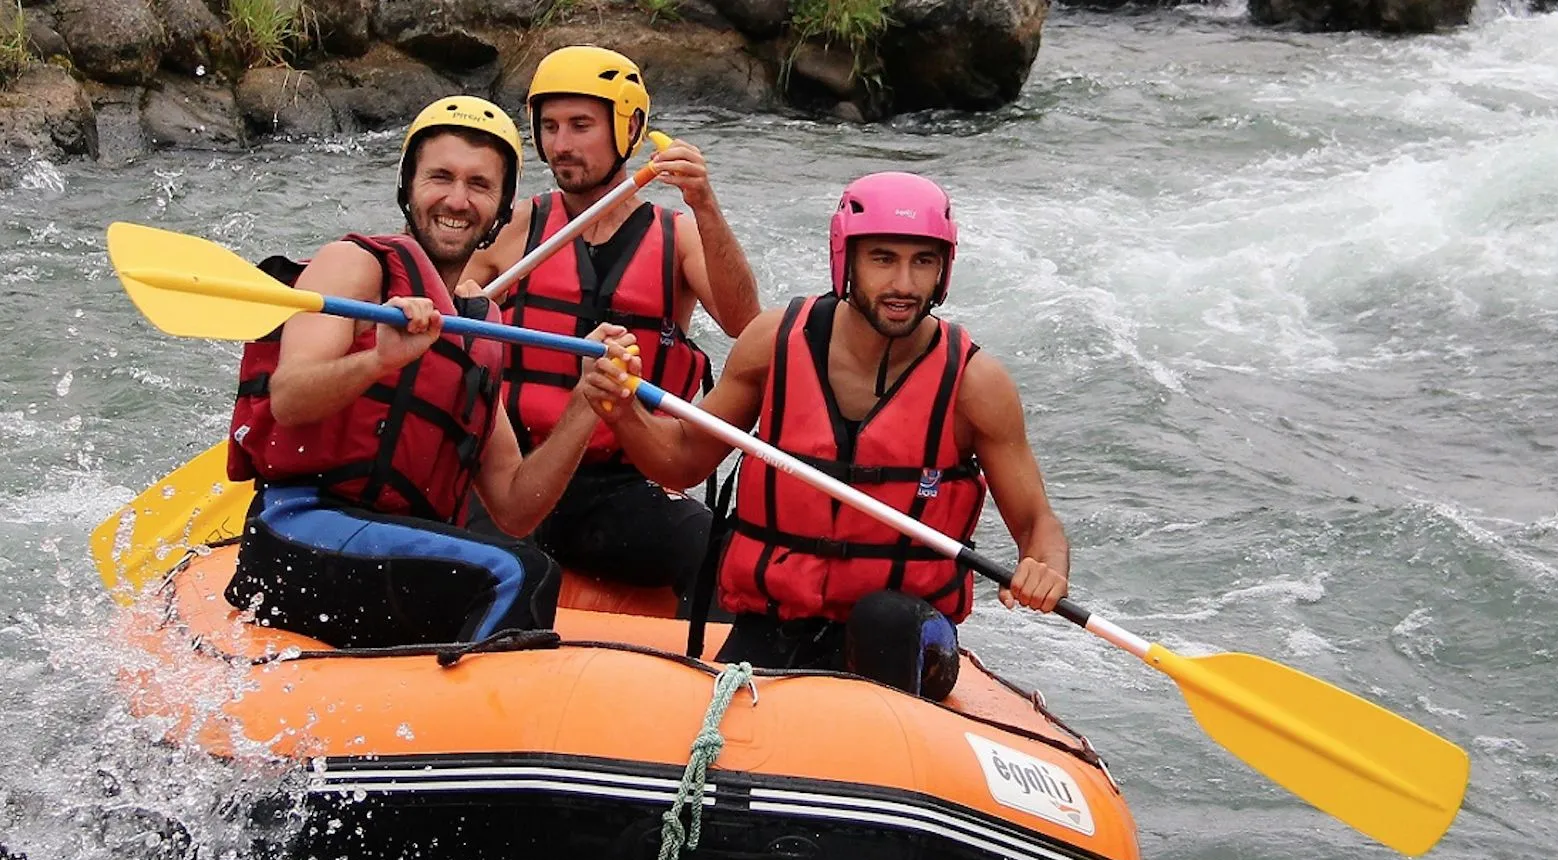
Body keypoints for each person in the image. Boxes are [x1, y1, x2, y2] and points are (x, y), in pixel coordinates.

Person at [578, 171, 1069, 700]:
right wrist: (622, 411)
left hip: (905, 637)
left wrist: (1044, 569)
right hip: (775, 622)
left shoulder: (976, 384)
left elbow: (1037, 524)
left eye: (922, 261)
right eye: (883, 258)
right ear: (847, 260)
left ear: (943, 270)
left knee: (885, 619)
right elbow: (683, 461)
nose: (904, 284)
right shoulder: (773, 342)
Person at [223, 95, 636, 650]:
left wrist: (586, 405)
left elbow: (515, 507)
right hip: (299, 528)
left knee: (523, 556)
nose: (458, 200)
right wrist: (379, 359)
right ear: (408, 185)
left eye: (480, 185)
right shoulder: (355, 267)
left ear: (501, 206)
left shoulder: (478, 330)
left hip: (389, 551)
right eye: (440, 177)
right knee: (517, 574)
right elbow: (290, 398)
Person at [464, 46, 761, 615]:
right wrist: (465, 302)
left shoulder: (679, 236)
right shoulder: (517, 224)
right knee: (496, 568)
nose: (561, 145)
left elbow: (746, 326)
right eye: (549, 126)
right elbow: (451, 304)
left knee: (726, 558)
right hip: (517, 474)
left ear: (629, 130)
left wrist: (706, 206)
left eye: (581, 125)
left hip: (621, 489)